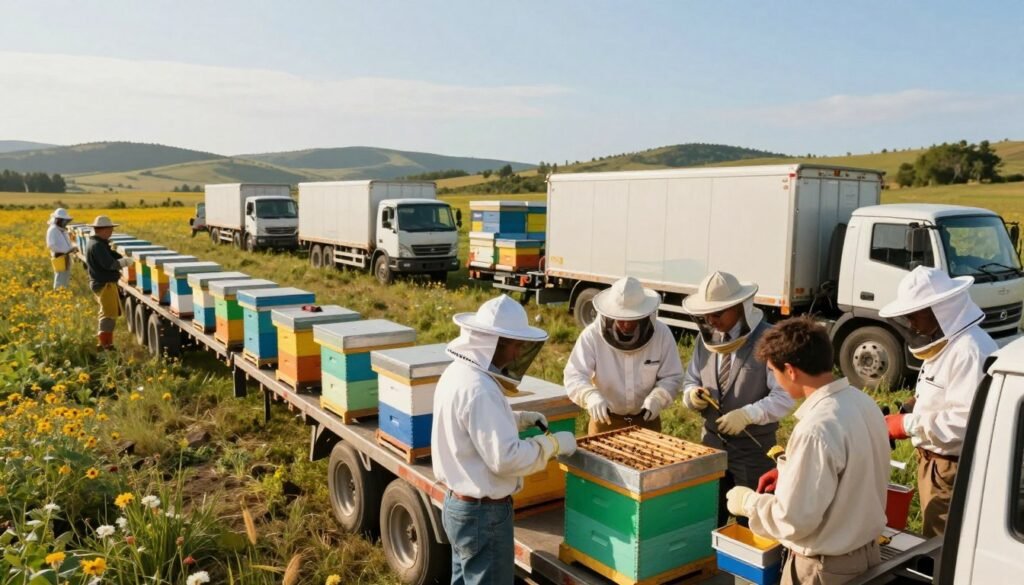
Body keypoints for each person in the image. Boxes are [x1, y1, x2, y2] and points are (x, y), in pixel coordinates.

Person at [727, 317, 890, 585]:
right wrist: (790, 471)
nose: (775, 380)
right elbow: (849, 474)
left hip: (824, 568)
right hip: (866, 553)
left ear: (790, 370)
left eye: (773, 371)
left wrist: (749, 504)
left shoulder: (816, 429)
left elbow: (794, 519)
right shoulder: (863, 403)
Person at [432, 295, 577, 585]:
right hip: (483, 515)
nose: (517, 353)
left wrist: (515, 418)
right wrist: (553, 445)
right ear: (493, 343)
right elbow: (505, 458)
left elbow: (471, 429)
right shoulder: (480, 388)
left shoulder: (459, 373)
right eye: (515, 344)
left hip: (459, 505)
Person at [879, 265, 996, 537]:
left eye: (914, 315)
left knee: (943, 545)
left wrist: (905, 425)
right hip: (935, 464)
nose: (911, 323)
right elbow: (940, 392)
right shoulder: (949, 344)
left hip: (950, 467)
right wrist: (910, 406)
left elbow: (965, 421)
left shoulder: (970, 350)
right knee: (934, 536)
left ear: (937, 310)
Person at [681, 271, 794, 526]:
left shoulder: (769, 339)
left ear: (739, 307)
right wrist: (691, 395)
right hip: (710, 445)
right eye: (706, 314)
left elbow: (784, 396)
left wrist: (748, 414)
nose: (711, 320)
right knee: (709, 517)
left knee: (754, 523)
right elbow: (691, 379)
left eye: (718, 314)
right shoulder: (705, 338)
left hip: (753, 450)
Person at [564, 277, 683, 434]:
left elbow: (673, 376)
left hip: (647, 420)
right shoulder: (592, 335)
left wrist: (658, 397)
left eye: (633, 319)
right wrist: (590, 396)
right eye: (621, 319)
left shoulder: (662, 334)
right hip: (605, 419)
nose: (627, 324)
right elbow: (574, 375)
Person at [85, 215, 132, 350]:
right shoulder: (97, 245)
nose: (111, 232)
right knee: (108, 315)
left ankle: (106, 344)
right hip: (105, 284)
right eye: (110, 229)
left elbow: (110, 255)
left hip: (102, 283)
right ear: (102, 229)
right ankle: (105, 345)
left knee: (108, 313)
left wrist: (122, 257)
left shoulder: (97, 243)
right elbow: (109, 264)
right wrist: (124, 262)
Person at [46, 208, 76, 290]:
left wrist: (71, 248)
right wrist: (67, 250)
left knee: (65, 277)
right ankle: (58, 295)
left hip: (65, 256)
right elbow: (51, 245)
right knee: (60, 278)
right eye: (63, 220)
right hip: (59, 257)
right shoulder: (53, 230)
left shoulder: (60, 230)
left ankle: (63, 293)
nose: (65, 223)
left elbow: (66, 242)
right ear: (58, 220)